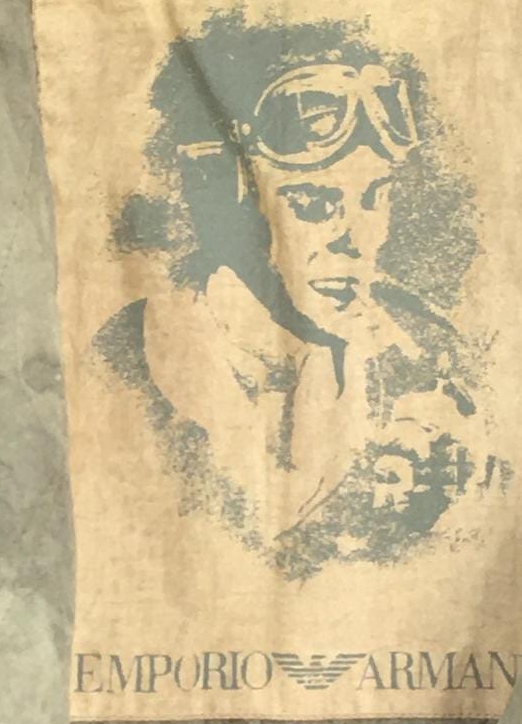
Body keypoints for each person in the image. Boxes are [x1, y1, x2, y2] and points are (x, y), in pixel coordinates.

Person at [95, 36, 486, 574]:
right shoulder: (125, 362)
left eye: (374, 197)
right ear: (227, 206)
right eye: (313, 203)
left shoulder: (431, 350)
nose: (357, 240)